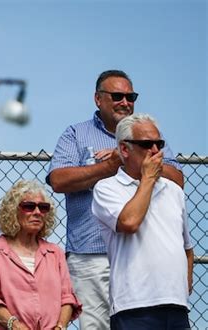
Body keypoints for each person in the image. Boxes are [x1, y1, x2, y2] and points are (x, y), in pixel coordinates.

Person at [47, 70, 184, 329]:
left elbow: (177, 179)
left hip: (141, 256)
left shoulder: (149, 136)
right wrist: (109, 166)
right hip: (91, 254)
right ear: (98, 99)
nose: (125, 102)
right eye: (117, 96)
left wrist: (136, 156)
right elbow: (58, 180)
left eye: (130, 96)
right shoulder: (75, 134)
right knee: (96, 326)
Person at [92, 114, 194, 329]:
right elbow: (129, 222)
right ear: (125, 149)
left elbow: (187, 248)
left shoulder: (173, 191)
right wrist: (147, 179)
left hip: (176, 307)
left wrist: (182, 291)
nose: (156, 151)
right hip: (134, 307)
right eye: (147, 144)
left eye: (159, 144)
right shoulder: (107, 188)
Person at [0, 180, 82, 330]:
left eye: (43, 207)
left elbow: (67, 298)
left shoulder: (55, 253)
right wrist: (16, 326)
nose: (37, 212)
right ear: (13, 211)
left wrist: (60, 327)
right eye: (29, 206)